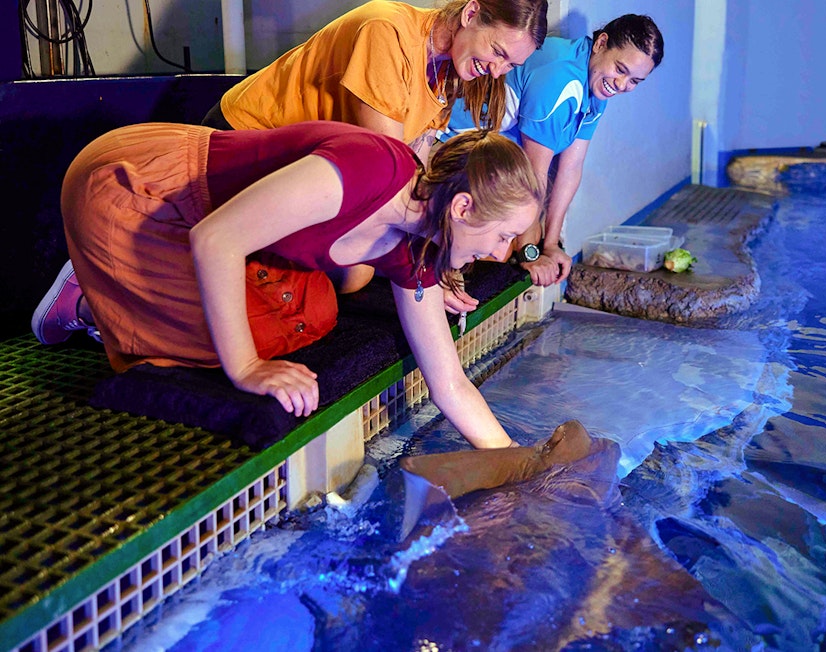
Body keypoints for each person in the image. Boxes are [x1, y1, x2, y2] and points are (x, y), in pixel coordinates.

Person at [32, 122, 543, 449]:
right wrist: (247, 368)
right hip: (139, 189)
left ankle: (131, 291)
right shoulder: (368, 170)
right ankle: (91, 296)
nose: (501, 254)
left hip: (221, 226)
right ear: (461, 207)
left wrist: (516, 469)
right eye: (502, 236)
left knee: (312, 318)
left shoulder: (419, 248)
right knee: (242, 342)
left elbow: (449, 382)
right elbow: (215, 239)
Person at [203, 0, 548, 313]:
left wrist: (438, 254)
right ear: (470, 14)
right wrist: (430, 266)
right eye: (498, 52)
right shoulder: (387, 31)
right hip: (245, 138)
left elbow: (420, 165)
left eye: (510, 65)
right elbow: (393, 179)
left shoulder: (448, 69)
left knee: (361, 271)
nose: (498, 71)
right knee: (356, 271)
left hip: (316, 164)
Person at [438, 14, 663, 287]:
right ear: (601, 43)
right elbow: (534, 174)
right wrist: (530, 252)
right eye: (620, 69)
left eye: (634, 81)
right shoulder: (562, 78)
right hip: (448, 149)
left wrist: (551, 244)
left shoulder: (595, 85)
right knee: (503, 250)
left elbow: (571, 168)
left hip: (488, 155)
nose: (621, 84)